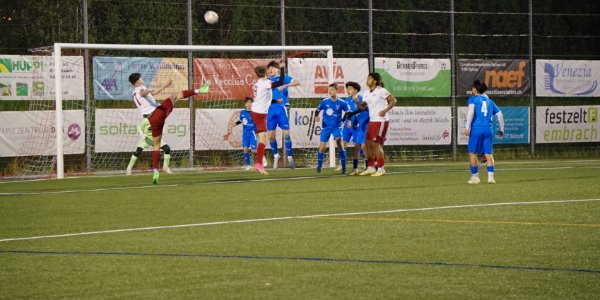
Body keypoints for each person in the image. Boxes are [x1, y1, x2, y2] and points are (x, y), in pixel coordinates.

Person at [129, 73, 210, 184]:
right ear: (137, 81)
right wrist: (145, 92)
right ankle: (201, 90)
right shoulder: (140, 88)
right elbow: (143, 93)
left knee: (156, 146)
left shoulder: (133, 93)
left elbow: (152, 93)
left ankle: (155, 172)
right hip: (157, 113)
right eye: (140, 78)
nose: (142, 79)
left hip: (150, 120)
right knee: (175, 95)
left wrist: (165, 85)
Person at [464, 80, 504, 184]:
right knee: (488, 154)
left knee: (473, 153)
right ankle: (491, 178)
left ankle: (475, 177)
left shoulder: (472, 99)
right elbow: (500, 114)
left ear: (476, 89)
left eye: (473, 88)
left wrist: (467, 127)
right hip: (488, 130)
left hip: (477, 129)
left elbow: (471, 112)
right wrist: (501, 129)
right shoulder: (490, 101)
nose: (472, 90)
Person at [357, 72, 397, 177]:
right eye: (367, 78)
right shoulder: (366, 93)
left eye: (369, 79)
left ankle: (381, 168)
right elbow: (363, 107)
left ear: (375, 81)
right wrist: (357, 102)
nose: (367, 80)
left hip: (381, 120)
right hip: (372, 121)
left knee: (376, 144)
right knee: (367, 144)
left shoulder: (381, 91)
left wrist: (385, 110)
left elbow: (393, 101)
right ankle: (370, 167)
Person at [251, 63, 286, 175]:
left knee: (262, 140)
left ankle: (259, 163)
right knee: (262, 141)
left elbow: (264, 97)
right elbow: (280, 82)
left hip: (255, 112)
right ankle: (259, 164)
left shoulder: (256, 83)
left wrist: (275, 101)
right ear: (265, 72)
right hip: (260, 114)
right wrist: (281, 68)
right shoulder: (266, 83)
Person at [267, 61, 300, 169]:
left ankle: (290, 159)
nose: (270, 70)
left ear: (277, 69)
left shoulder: (283, 77)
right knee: (271, 136)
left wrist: (285, 85)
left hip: (281, 108)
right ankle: (276, 156)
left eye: (272, 68)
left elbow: (296, 82)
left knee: (286, 134)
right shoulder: (267, 81)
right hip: (270, 109)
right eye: (269, 68)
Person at [223, 97, 267, 170]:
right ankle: (248, 165)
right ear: (245, 104)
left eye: (251, 102)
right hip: (245, 134)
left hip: (252, 133)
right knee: (245, 149)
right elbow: (241, 120)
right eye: (248, 103)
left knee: (253, 150)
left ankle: (263, 157)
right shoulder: (242, 112)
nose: (249, 104)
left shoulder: (255, 113)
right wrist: (236, 123)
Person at [314, 83, 349, 174]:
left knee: (339, 143)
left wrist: (343, 120)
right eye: (329, 90)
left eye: (332, 89)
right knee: (321, 148)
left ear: (336, 91)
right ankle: (319, 166)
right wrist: (317, 116)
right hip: (326, 127)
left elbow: (348, 112)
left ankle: (344, 168)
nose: (330, 91)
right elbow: (317, 110)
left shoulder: (342, 102)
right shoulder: (325, 101)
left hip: (337, 127)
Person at [342, 81, 369, 176]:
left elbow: (362, 110)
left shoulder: (361, 99)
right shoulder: (347, 100)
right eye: (347, 89)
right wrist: (345, 120)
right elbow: (349, 112)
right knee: (357, 147)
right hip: (356, 124)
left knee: (364, 147)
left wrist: (354, 120)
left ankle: (371, 166)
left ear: (355, 90)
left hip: (364, 125)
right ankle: (355, 168)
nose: (348, 91)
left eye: (350, 89)